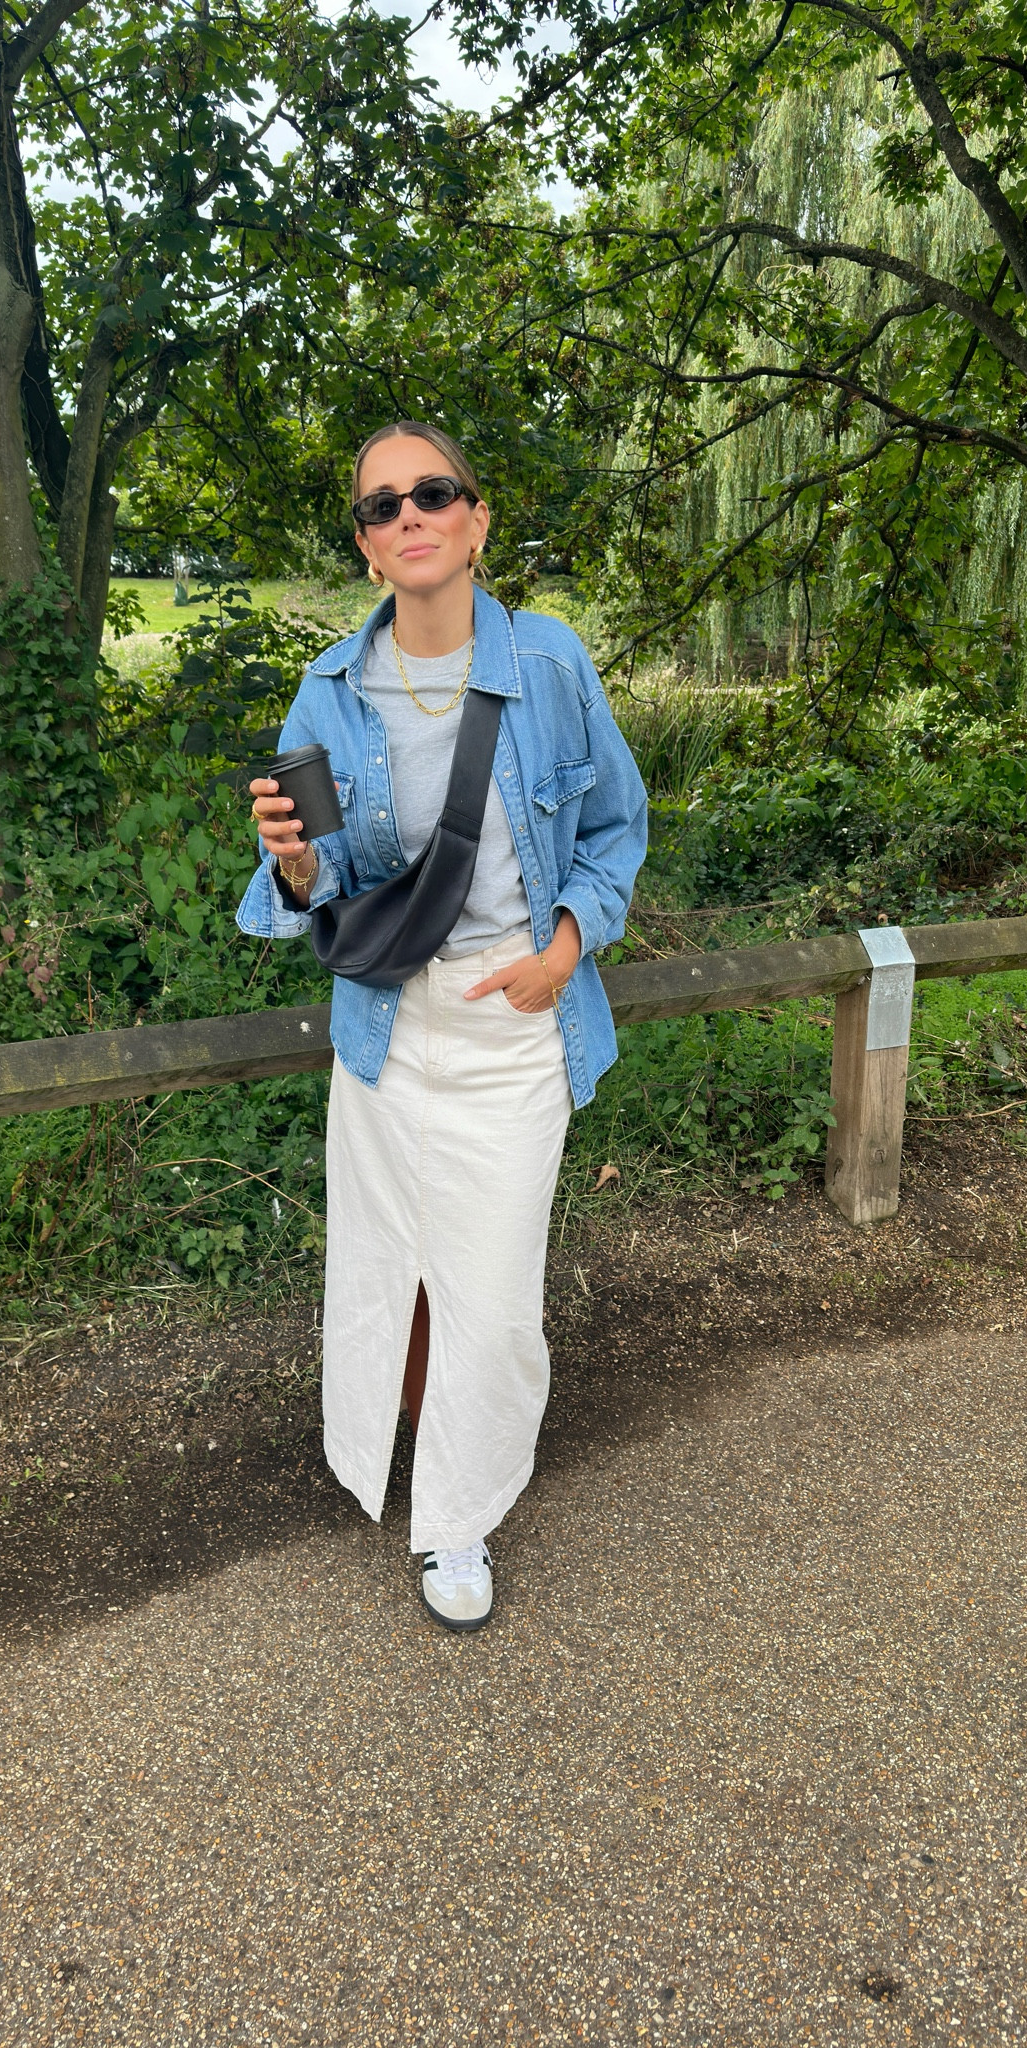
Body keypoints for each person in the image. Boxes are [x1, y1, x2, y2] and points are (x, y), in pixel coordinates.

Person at [237, 422, 647, 1632]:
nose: (407, 515)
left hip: (512, 1026)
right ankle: (398, 1471)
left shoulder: (553, 665)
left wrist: (563, 949)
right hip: (381, 1027)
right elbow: (319, 896)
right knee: (382, 1275)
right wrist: (296, 863)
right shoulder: (328, 686)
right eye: (380, 507)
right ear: (367, 549)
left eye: (432, 493)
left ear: (475, 519)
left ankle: (458, 1513)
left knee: (494, 1290)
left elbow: (619, 827)